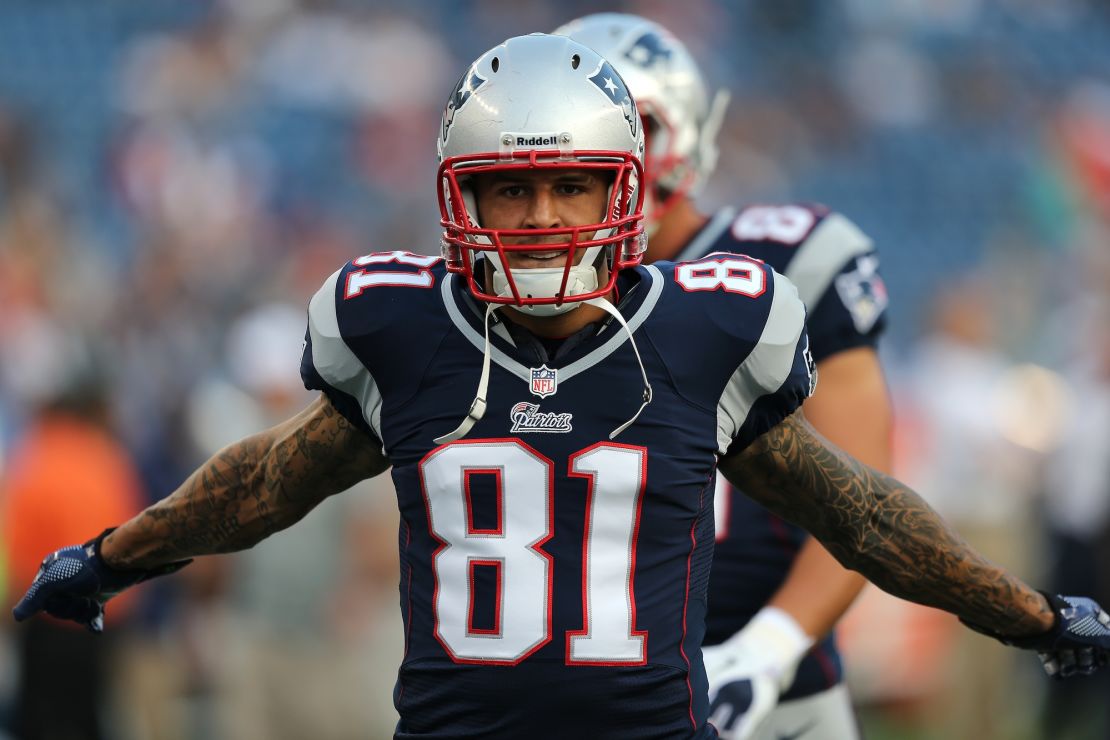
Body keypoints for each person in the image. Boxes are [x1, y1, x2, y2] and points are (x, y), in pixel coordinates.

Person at [10, 33, 1110, 740]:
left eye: (574, 186)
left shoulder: (699, 328)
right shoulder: (401, 326)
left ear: (628, 188)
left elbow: (861, 511)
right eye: (511, 189)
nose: (542, 220)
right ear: (458, 198)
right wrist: (112, 557)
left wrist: (1027, 611)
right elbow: (261, 482)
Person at [555, 14, 889, 739]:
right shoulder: (508, 289)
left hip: (771, 692)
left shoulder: (786, 262)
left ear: (686, 135)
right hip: (576, 688)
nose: (614, 157)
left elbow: (864, 504)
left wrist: (764, 654)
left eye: (635, 128)